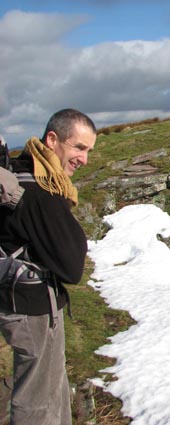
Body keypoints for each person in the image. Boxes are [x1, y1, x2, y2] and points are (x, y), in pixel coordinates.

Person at [0, 109, 96, 424]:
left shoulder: (18, 172)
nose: (84, 159)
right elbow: (71, 265)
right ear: (52, 140)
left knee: (52, 388)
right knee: (37, 399)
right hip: (31, 308)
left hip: (19, 298)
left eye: (88, 151)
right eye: (78, 147)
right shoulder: (37, 192)